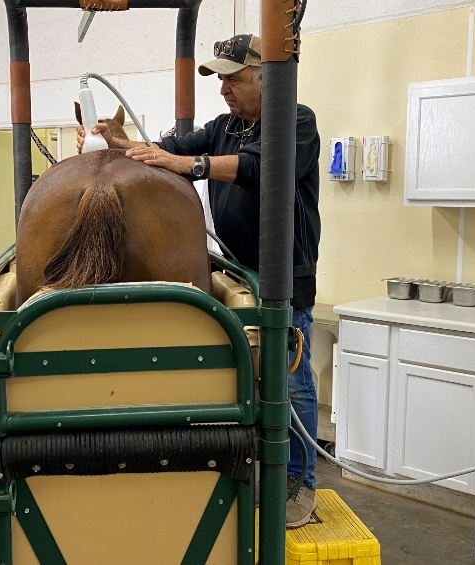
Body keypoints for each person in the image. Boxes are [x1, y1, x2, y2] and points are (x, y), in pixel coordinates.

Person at [77, 33, 322, 528]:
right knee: (244, 376)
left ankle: (300, 483)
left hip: (283, 276)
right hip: (235, 268)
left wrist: (188, 165)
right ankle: (255, 465)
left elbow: (260, 168)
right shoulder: (224, 125)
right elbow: (170, 149)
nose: (224, 90)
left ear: (265, 77)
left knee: (290, 383)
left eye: (233, 79)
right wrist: (128, 147)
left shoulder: (296, 121)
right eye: (220, 80)